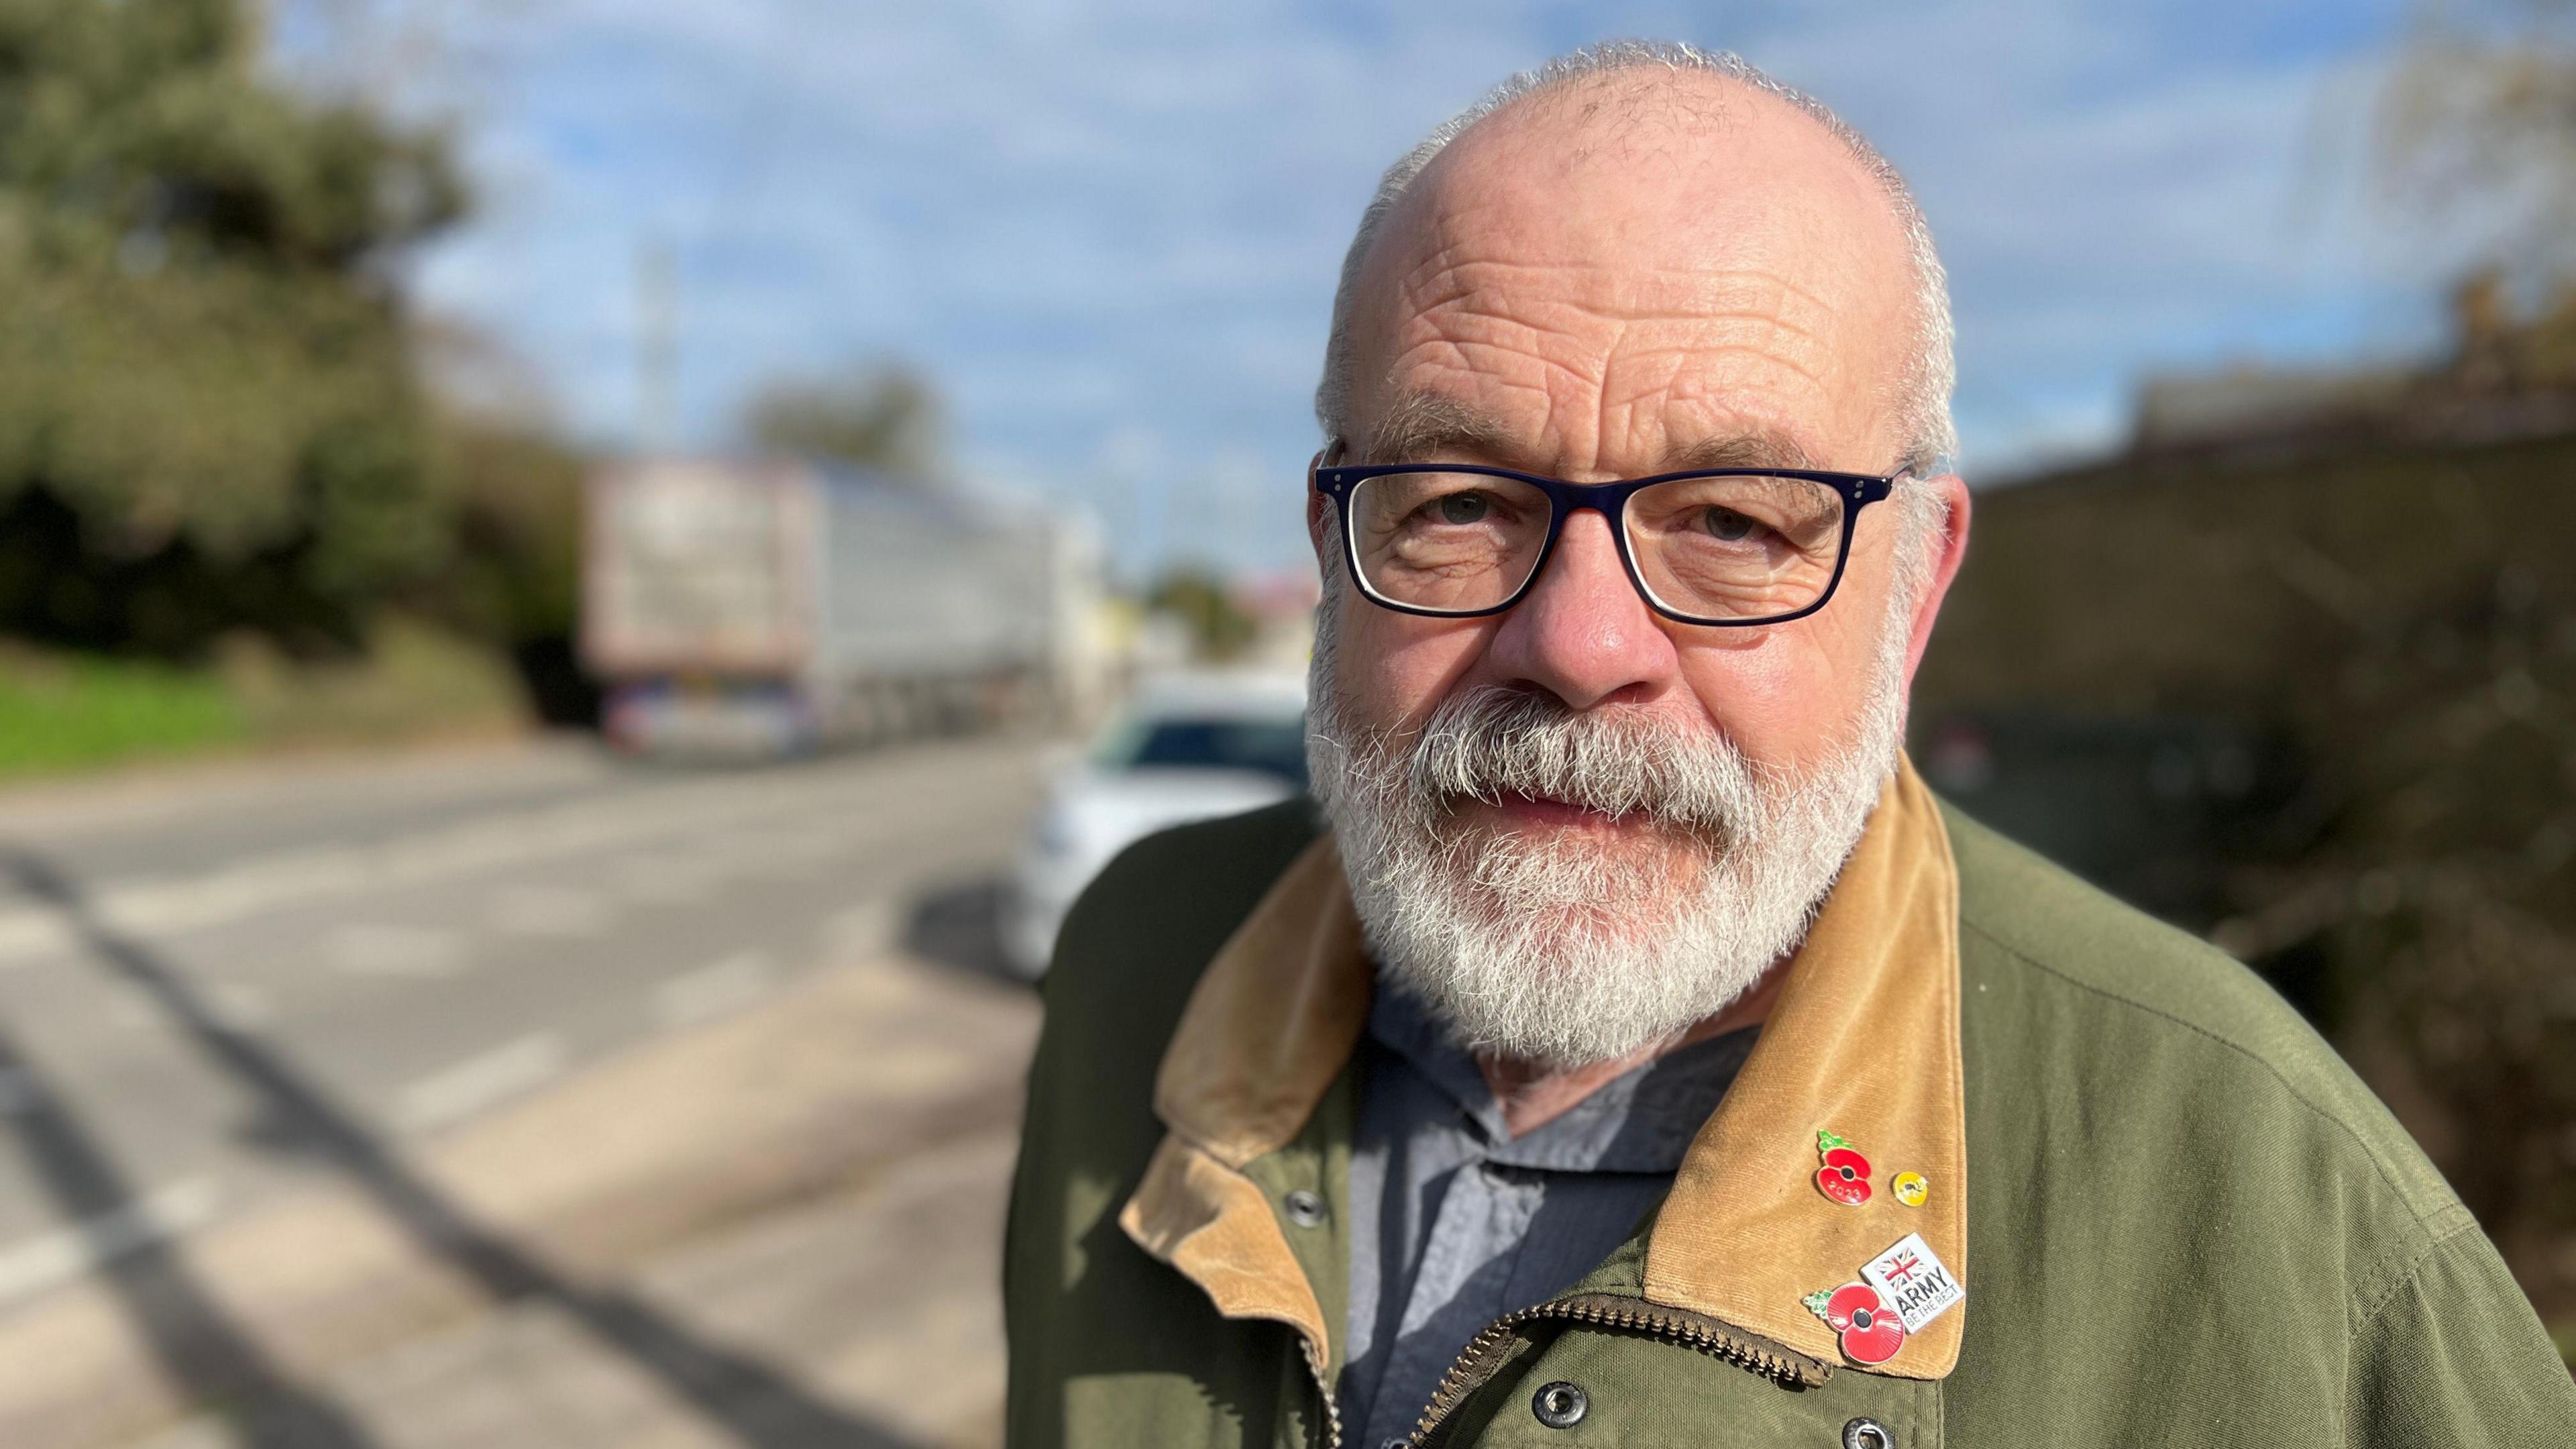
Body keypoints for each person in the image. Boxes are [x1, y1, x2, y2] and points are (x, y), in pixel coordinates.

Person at [1004, 40, 2576, 1448]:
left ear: (1915, 592)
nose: (1578, 648)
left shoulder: (2271, 1213)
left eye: (1737, 523)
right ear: (1332, 545)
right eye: (1462, 504)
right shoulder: (1140, 972)